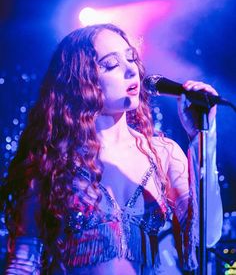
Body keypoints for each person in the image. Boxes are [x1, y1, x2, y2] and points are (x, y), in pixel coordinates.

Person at [2, 23, 222, 274]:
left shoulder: (163, 153)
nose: (131, 70)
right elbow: (24, 261)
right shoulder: (51, 159)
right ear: (80, 81)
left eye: (131, 59)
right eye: (111, 65)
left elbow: (207, 235)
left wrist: (203, 137)